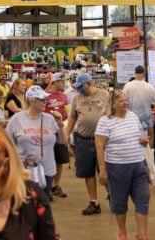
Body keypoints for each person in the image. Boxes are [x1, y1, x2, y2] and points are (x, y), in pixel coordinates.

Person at [95, 90, 151, 240]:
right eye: (121, 101)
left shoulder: (133, 116)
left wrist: (143, 139)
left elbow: (139, 134)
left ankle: (142, 234)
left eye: (126, 100)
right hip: (117, 167)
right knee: (119, 202)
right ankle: (122, 232)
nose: (125, 103)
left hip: (139, 165)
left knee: (143, 199)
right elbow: (99, 145)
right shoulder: (105, 121)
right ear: (113, 104)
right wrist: (102, 170)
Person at [66, 72, 110, 215]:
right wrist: (67, 134)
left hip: (103, 142)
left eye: (81, 87)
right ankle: (94, 202)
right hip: (83, 140)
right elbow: (73, 117)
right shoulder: (77, 97)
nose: (79, 90)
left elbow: (113, 115)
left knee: (105, 172)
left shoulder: (104, 95)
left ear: (88, 84)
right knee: (88, 172)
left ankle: (113, 196)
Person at [6, 85, 60, 199]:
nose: (46, 101)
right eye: (42, 99)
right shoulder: (17, 119)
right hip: (24, 172)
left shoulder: (49, 119)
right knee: (24, 207)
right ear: (32, 100)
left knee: (42, 207)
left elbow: (64, 142)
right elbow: (6, 144)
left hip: (47, 172)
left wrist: (60, 125)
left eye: (45, 98)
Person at [123, 65, 155, 147]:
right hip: (147, 121)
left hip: (131, 121)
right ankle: (148, 158)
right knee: (149, 140)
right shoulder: (149, 86)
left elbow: (123, 102)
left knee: (133, 141)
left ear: (135, 74)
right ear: (144, 74)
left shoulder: (127, 86)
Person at [44, 72, 69, 198]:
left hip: (60, 128)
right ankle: (46, 185)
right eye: (61, 81)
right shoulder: (45, 95)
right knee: (47, 158)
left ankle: (55, 185)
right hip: (47, 130)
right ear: (54, 82)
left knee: (60, 158)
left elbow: (66, 112)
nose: (63, 83)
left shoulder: (64, 96)